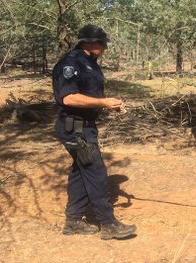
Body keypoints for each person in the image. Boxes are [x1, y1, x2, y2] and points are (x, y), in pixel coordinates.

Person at [52, 24, 136, 240]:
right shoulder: (70, 63)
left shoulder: (90, 63)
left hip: (85, 126)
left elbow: (90, 95)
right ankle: (107, 224)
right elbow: (68, 98)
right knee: (96, 172)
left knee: (81, 172)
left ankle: (73, 221)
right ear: (88, 42)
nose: (104, 48)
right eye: (101, 44)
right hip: (75, 129)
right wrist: (102, 102)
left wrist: (110, 104)